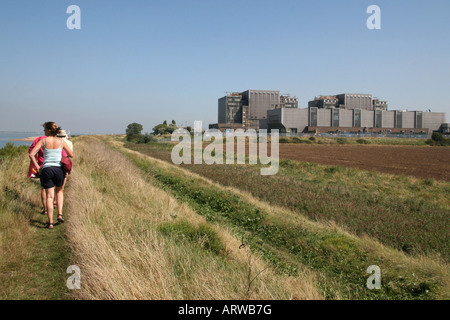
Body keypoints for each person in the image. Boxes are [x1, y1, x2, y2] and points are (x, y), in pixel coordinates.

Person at [29, 122, 74, 229]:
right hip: (58, 169)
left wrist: (38, 167)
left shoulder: (43, 141)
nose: (44, 131)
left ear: (49, 130)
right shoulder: (61, 141)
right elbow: (71, 154)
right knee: (59, 192)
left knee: (49, 196)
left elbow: (31, 154)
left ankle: (50, 222)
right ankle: (60, 214)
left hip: (46, 169)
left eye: (44, 129)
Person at [28, 135, 47, 215]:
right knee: (52, 187)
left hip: (42, 165)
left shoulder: (40, 139)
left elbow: (31, 150)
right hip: (54, 165)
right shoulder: (56, 139)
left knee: (43, 188)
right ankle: (53, 203)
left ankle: (45, 208)